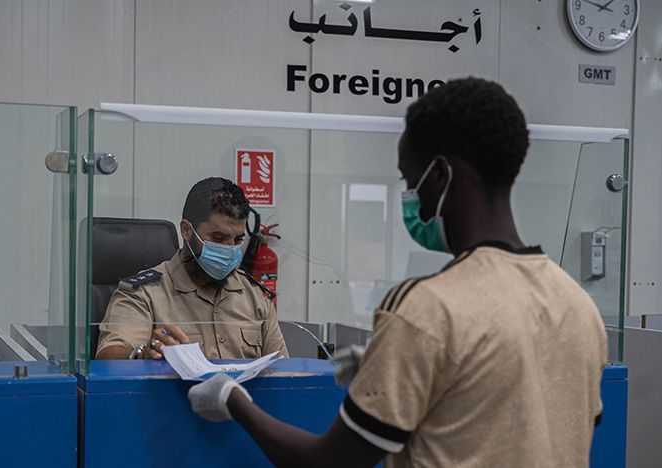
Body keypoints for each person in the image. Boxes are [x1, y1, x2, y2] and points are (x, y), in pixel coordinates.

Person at [186, 78, 607, 467]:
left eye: (410, 180)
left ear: (440, 175)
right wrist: (407, 368)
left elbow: (326, 463)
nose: (410, 197)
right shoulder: (578, 305)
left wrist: (233, 400)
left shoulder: (427, 309)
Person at [96, 177, 288, 360]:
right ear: (186, 230)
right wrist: (142, 356)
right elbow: (109, 358)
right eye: (218, 238)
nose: (230, 248)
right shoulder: (144, 293)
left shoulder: (255, 296)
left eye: (237, 240)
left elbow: (283, 372)